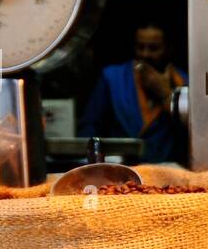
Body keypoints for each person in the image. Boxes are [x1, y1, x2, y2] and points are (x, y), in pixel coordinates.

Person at [80, 21, 187, 163]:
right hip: (121, 172)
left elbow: (196, 133)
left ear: (168, 48)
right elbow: (89, 127)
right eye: (140, 47)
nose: (145, 54)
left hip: (167, 171)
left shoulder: (185, 83)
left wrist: (166, 95)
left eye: (153, 48)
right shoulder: (112, 77)